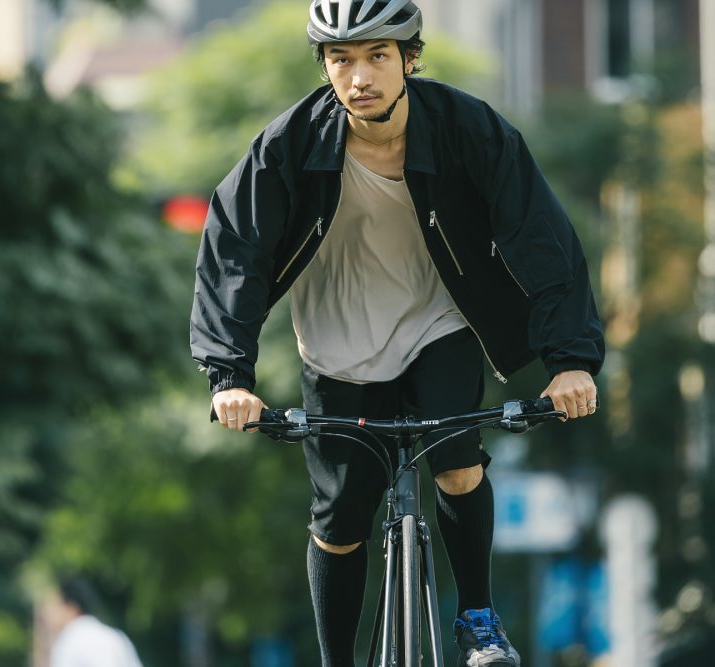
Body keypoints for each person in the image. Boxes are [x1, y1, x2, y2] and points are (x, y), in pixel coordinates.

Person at [189, 1, 604, 665]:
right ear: (324, 67)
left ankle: (476, 616)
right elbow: (235, 251)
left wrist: (571, 359)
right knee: (341, 517)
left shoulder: (470, 130)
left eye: (377, 55)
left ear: (410, 58)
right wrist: (229, 376)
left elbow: (541, 237)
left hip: (437, 324)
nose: (360, 76)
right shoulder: (286, 147)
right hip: (337, 342)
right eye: (342, 59)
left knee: (459, 463)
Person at [44, 578, 144, 667]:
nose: (49, 612)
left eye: (54, 605)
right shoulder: (117, 637)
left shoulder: (69, 640)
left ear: (71, 608)